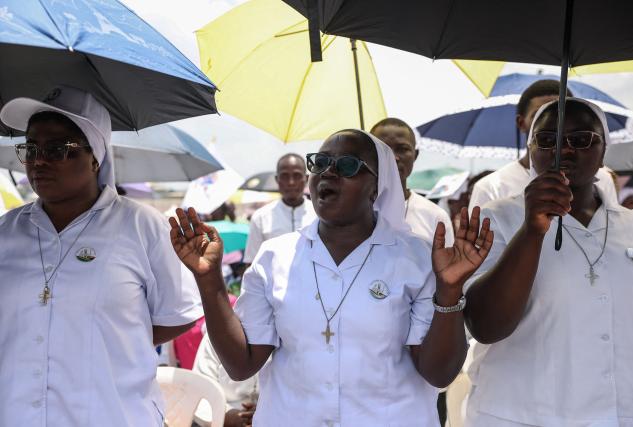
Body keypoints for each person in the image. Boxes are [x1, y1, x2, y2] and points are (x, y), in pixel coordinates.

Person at [169, 129, 494, 426]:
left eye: (348, 166)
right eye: (321, 162)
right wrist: (209, 279)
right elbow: (241, 365)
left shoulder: (416, 259)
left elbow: (439, 374)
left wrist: (449, 291)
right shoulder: (274, 257)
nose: (328, 172)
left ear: (377, 186)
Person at [0, 87, 203, 426]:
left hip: (112, 415)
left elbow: (178, 314)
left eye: (57, 149)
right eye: (30, 148)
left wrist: (111, 333)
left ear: (95, 156)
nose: (39, 160)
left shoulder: (142, 226)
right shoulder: (6, 232)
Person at [464, 98, 633, 426]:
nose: (565, 151)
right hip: (521, 414)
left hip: (620, 414)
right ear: (530, 149)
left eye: (582, 139)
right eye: (547, 141)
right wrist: (532, 230)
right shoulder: (497, 218)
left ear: (603, 150)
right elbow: (485, 326)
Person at [469, 80, 618, 208]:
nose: (554, 119)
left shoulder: (603, 179)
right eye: (540, 114)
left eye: (562, 113)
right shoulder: (491, 187)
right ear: (521, 123)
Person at [371, 117, 454, 245]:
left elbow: (446, 265)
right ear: (369, 155)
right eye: (383, 149)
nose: (393, 157)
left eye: (402, 149)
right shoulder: (352, 213)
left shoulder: (435, 216)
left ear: (415, 155)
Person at [242, 153, 316, 263]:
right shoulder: (260, 217)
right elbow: (252, 263)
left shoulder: (318, 215)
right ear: (277, 179)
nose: (291, 182)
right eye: (285, 176)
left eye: (296, 176)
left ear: (306, 179)